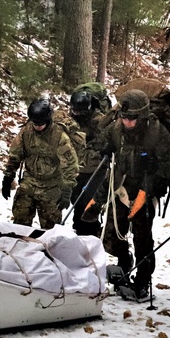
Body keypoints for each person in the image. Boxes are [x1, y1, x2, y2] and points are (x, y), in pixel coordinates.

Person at [94, 89, 170, 300]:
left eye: (133, 118)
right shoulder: (116, 128)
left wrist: (156, 166)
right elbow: (101, 141)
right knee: (111, 233)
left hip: (145, 189)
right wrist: (103, 148)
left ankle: (143, 279)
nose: (128, 122)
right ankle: (123, 262)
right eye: (124, 117)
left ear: (143, 116)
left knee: (142, 238)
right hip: (120, 185)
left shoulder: (158, 133)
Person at [1, 97, 79, 230]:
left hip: (51, 186)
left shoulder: (59, 137)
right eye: (34, 123)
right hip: (29, 181)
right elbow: (15, 154)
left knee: (50, 229)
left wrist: (67, 190)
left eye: (40, 124)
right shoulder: (27, 132)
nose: (37, 127)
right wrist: (8, 177)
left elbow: (70, 165)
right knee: (20, 221)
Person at [65, 87, 109, 236]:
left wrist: (99, 148)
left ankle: (92, 234)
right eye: (75, 111)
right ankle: (80, 231)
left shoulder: (99, 121)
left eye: (82, 112)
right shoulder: (70, 119)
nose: (78, 115)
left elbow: (107, 142)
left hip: (96, 169)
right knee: (76, 200)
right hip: (78, 168)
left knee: (88, 202)